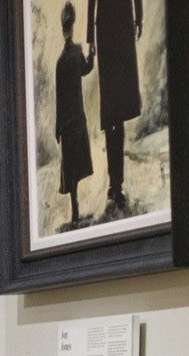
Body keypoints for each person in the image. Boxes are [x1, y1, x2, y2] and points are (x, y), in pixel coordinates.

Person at [86, 0, 143, 211]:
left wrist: (139, 17)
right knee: (112, 114)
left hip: (119, 28)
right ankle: (115, 184)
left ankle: (116, 184)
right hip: (111, 30)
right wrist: (90, 38)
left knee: (116, 114)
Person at [52, 3, 97, 223]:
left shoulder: (60, 62)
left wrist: (57, 126)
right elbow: (86, 69)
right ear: (73, 25)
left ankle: (75, 205)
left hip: (66, 121)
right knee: (78, 163)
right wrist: (92, 55)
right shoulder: (77, 52)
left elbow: (58, 99)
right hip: (77, 117)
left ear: (62, 29)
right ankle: (76, 207)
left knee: (70, 165)